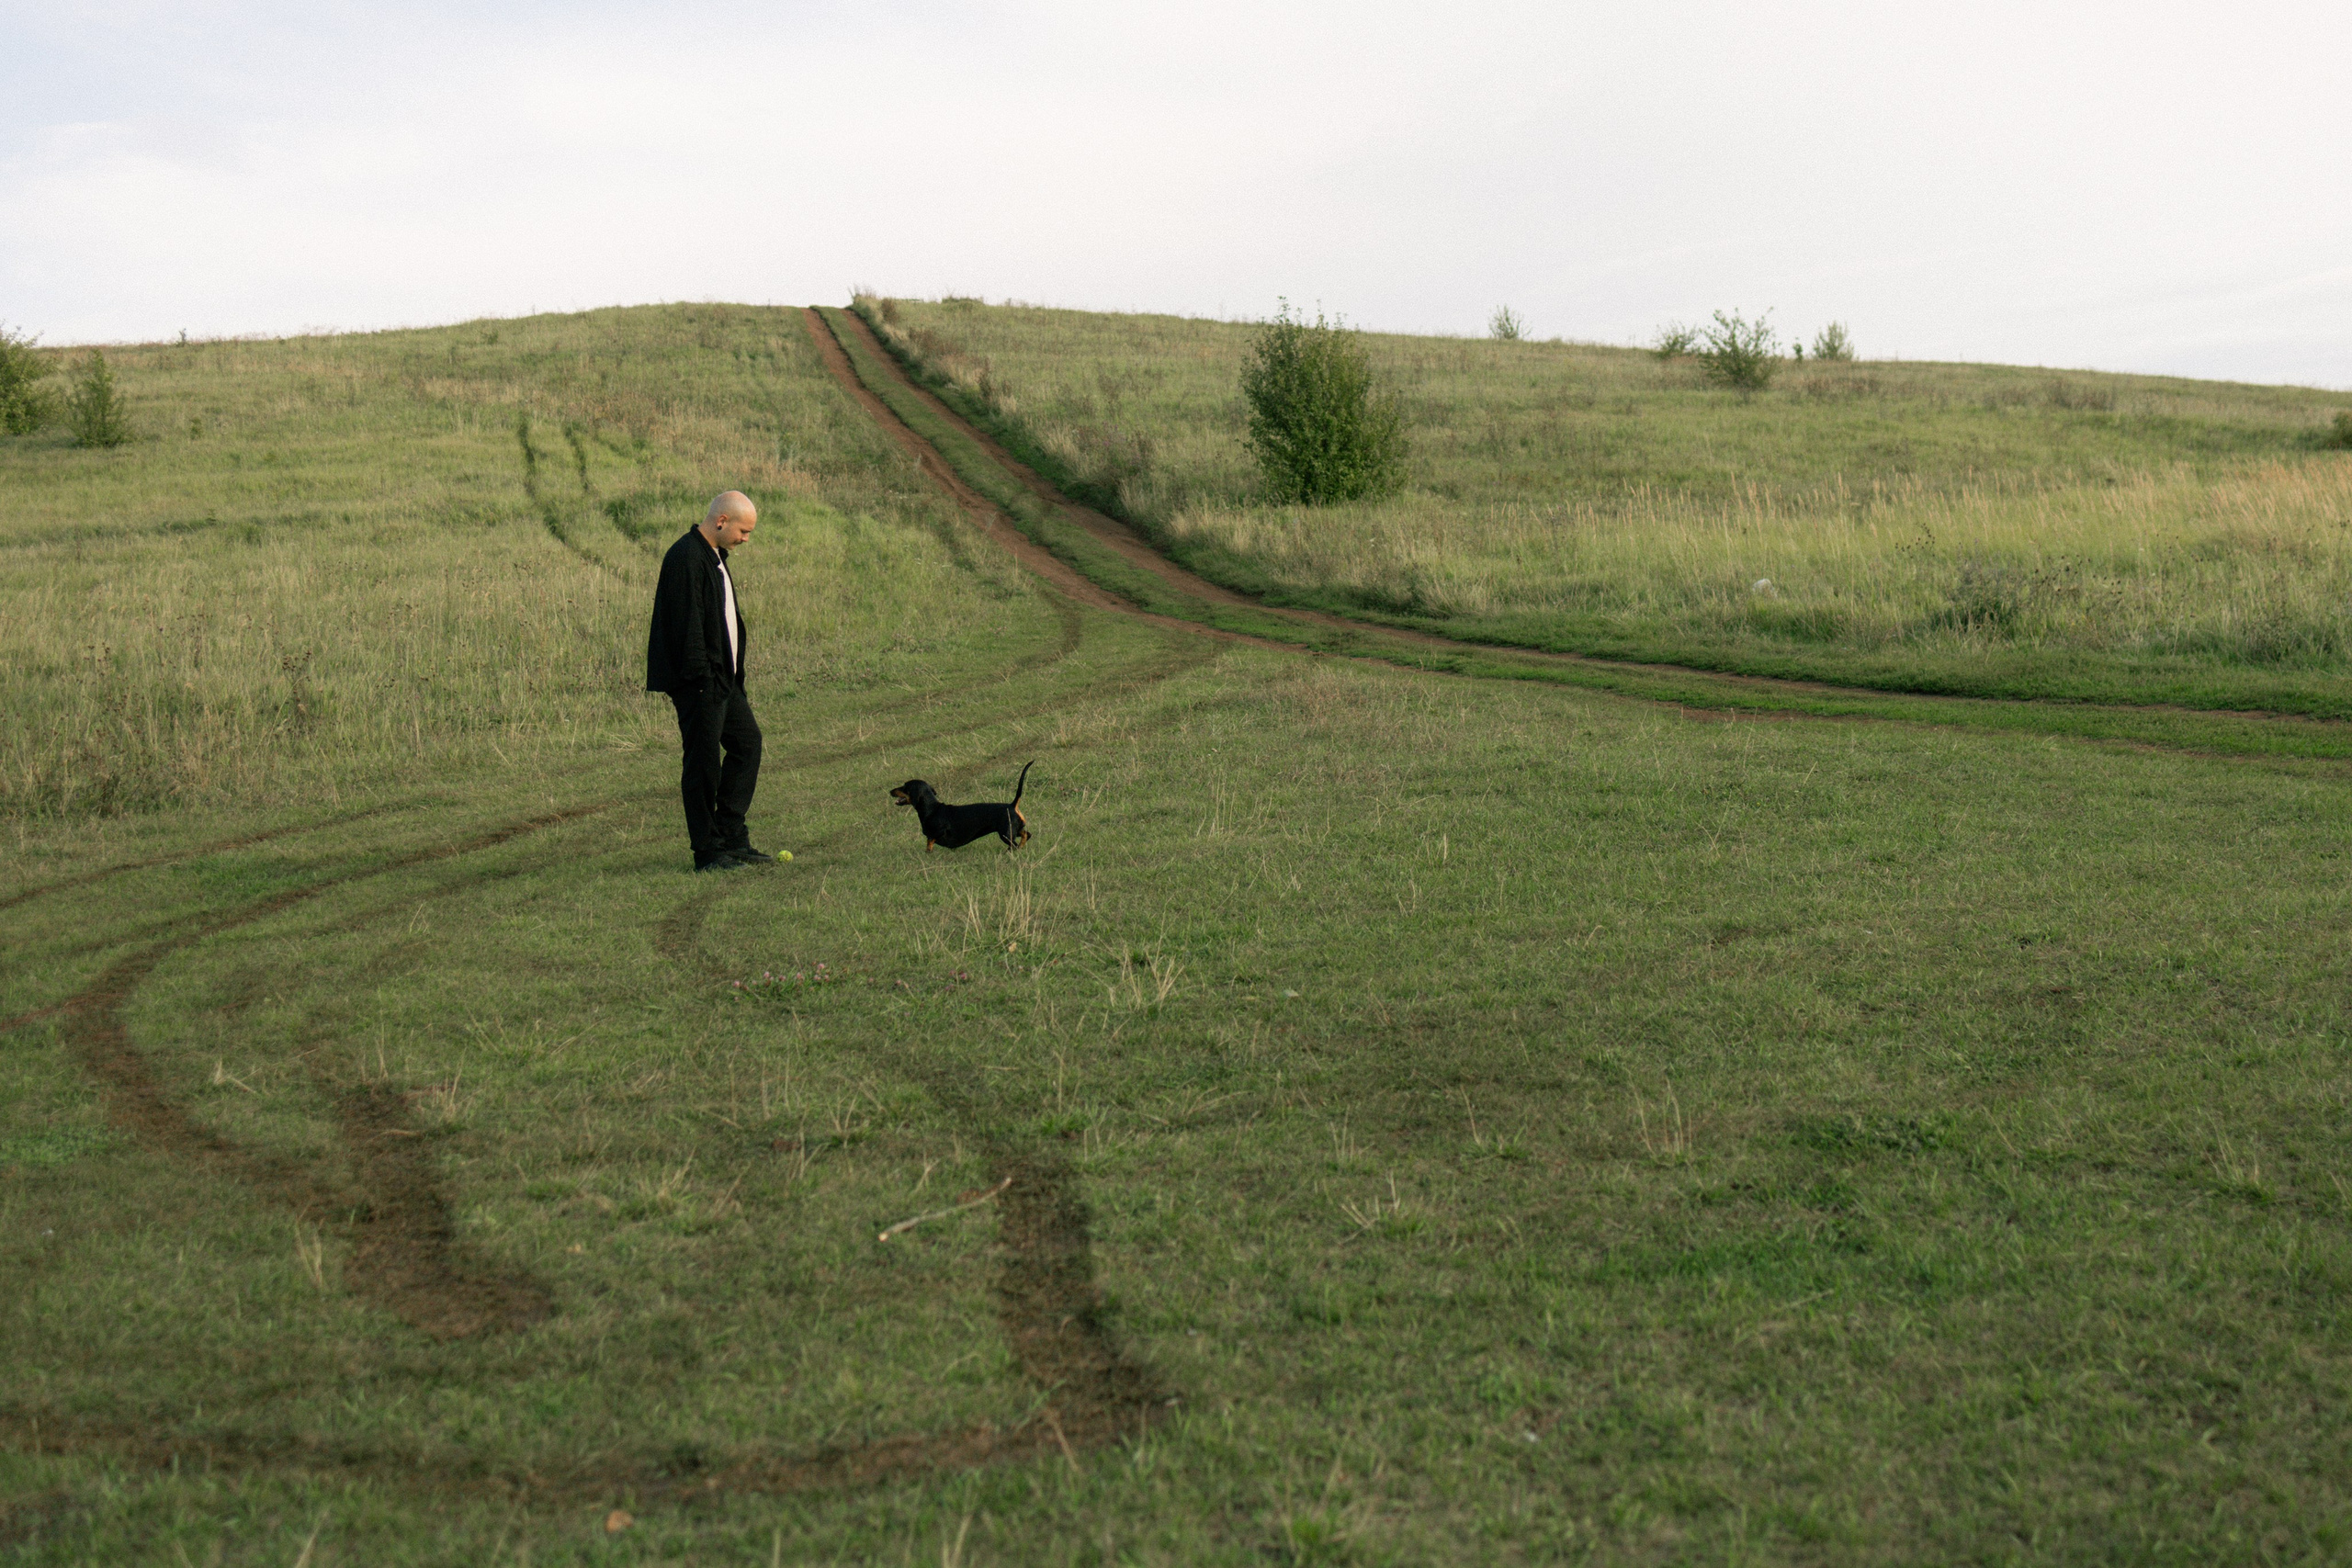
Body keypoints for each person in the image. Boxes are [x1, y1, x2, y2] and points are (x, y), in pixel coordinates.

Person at [645, 491, 775, 870]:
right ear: (721, 521)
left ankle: (732, 836)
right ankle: (708, 852)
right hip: (701, 683)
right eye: (743, 531)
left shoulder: (713, 555)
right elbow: (687, 628)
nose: (745, 539)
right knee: (703, 765)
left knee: (747, 744)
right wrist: (703, 679)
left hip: (722, 681)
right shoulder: (686, 557)